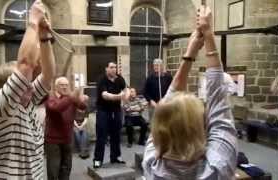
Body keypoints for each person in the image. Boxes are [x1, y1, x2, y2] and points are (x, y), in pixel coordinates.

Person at [142, 6, 237, 180]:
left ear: (158, 131)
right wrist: (208, 34)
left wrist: (191, 51)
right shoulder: (216, 168)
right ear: (198, 128)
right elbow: (218, 101)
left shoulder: (151, 164)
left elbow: (171, 96)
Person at [0, 1, 55, 179]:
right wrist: (33, 20)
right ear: (9, 89)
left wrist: (45, 37)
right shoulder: (0, 108)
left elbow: (48, 76)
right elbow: (25, 64)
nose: (31, 87)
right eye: (25, 84)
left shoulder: (29, 101)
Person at [45, 77, 88, 180]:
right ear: (56, 87)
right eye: (62, 85)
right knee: (53, 169)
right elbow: (57, 108)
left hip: (67, 139)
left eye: (66, 85)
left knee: (66, 168)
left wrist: (79, 98)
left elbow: (83, 107)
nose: (64, 87)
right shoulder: (50, 98)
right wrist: (71, 97)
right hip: (53, 141)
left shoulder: (71, 98)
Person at [93, 62, 129, 168]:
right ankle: (97, 160)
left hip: (116, 111)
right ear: (106, 69)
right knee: (101, 136)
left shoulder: (120, 79)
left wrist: (126, 96)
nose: (114, 69)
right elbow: (105, 95)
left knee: (116, 135)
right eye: (111, 67)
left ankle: (116, 157)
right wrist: (119, 96)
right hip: (103, 111)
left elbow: (126, 89)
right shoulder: (101, 80)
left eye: (115, 67)